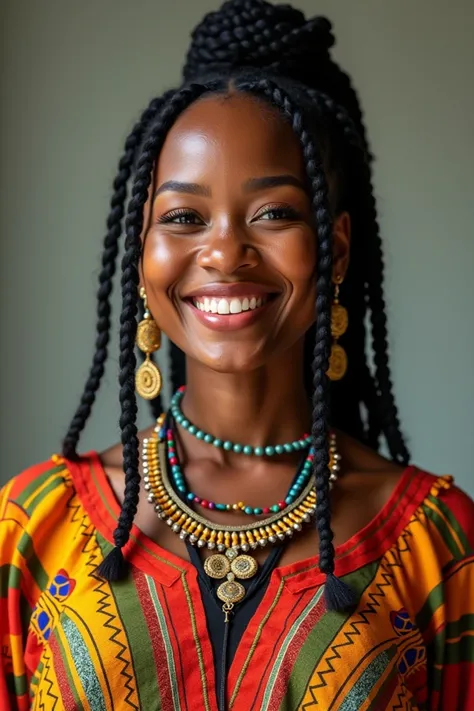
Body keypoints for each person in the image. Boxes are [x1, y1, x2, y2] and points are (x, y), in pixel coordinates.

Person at [1, 0, 473, 709]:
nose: (223, 251)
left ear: (335, 248)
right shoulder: (32, 526)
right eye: (184, 217)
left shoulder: (440, 545)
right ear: (142, 255)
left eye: (273, 213)